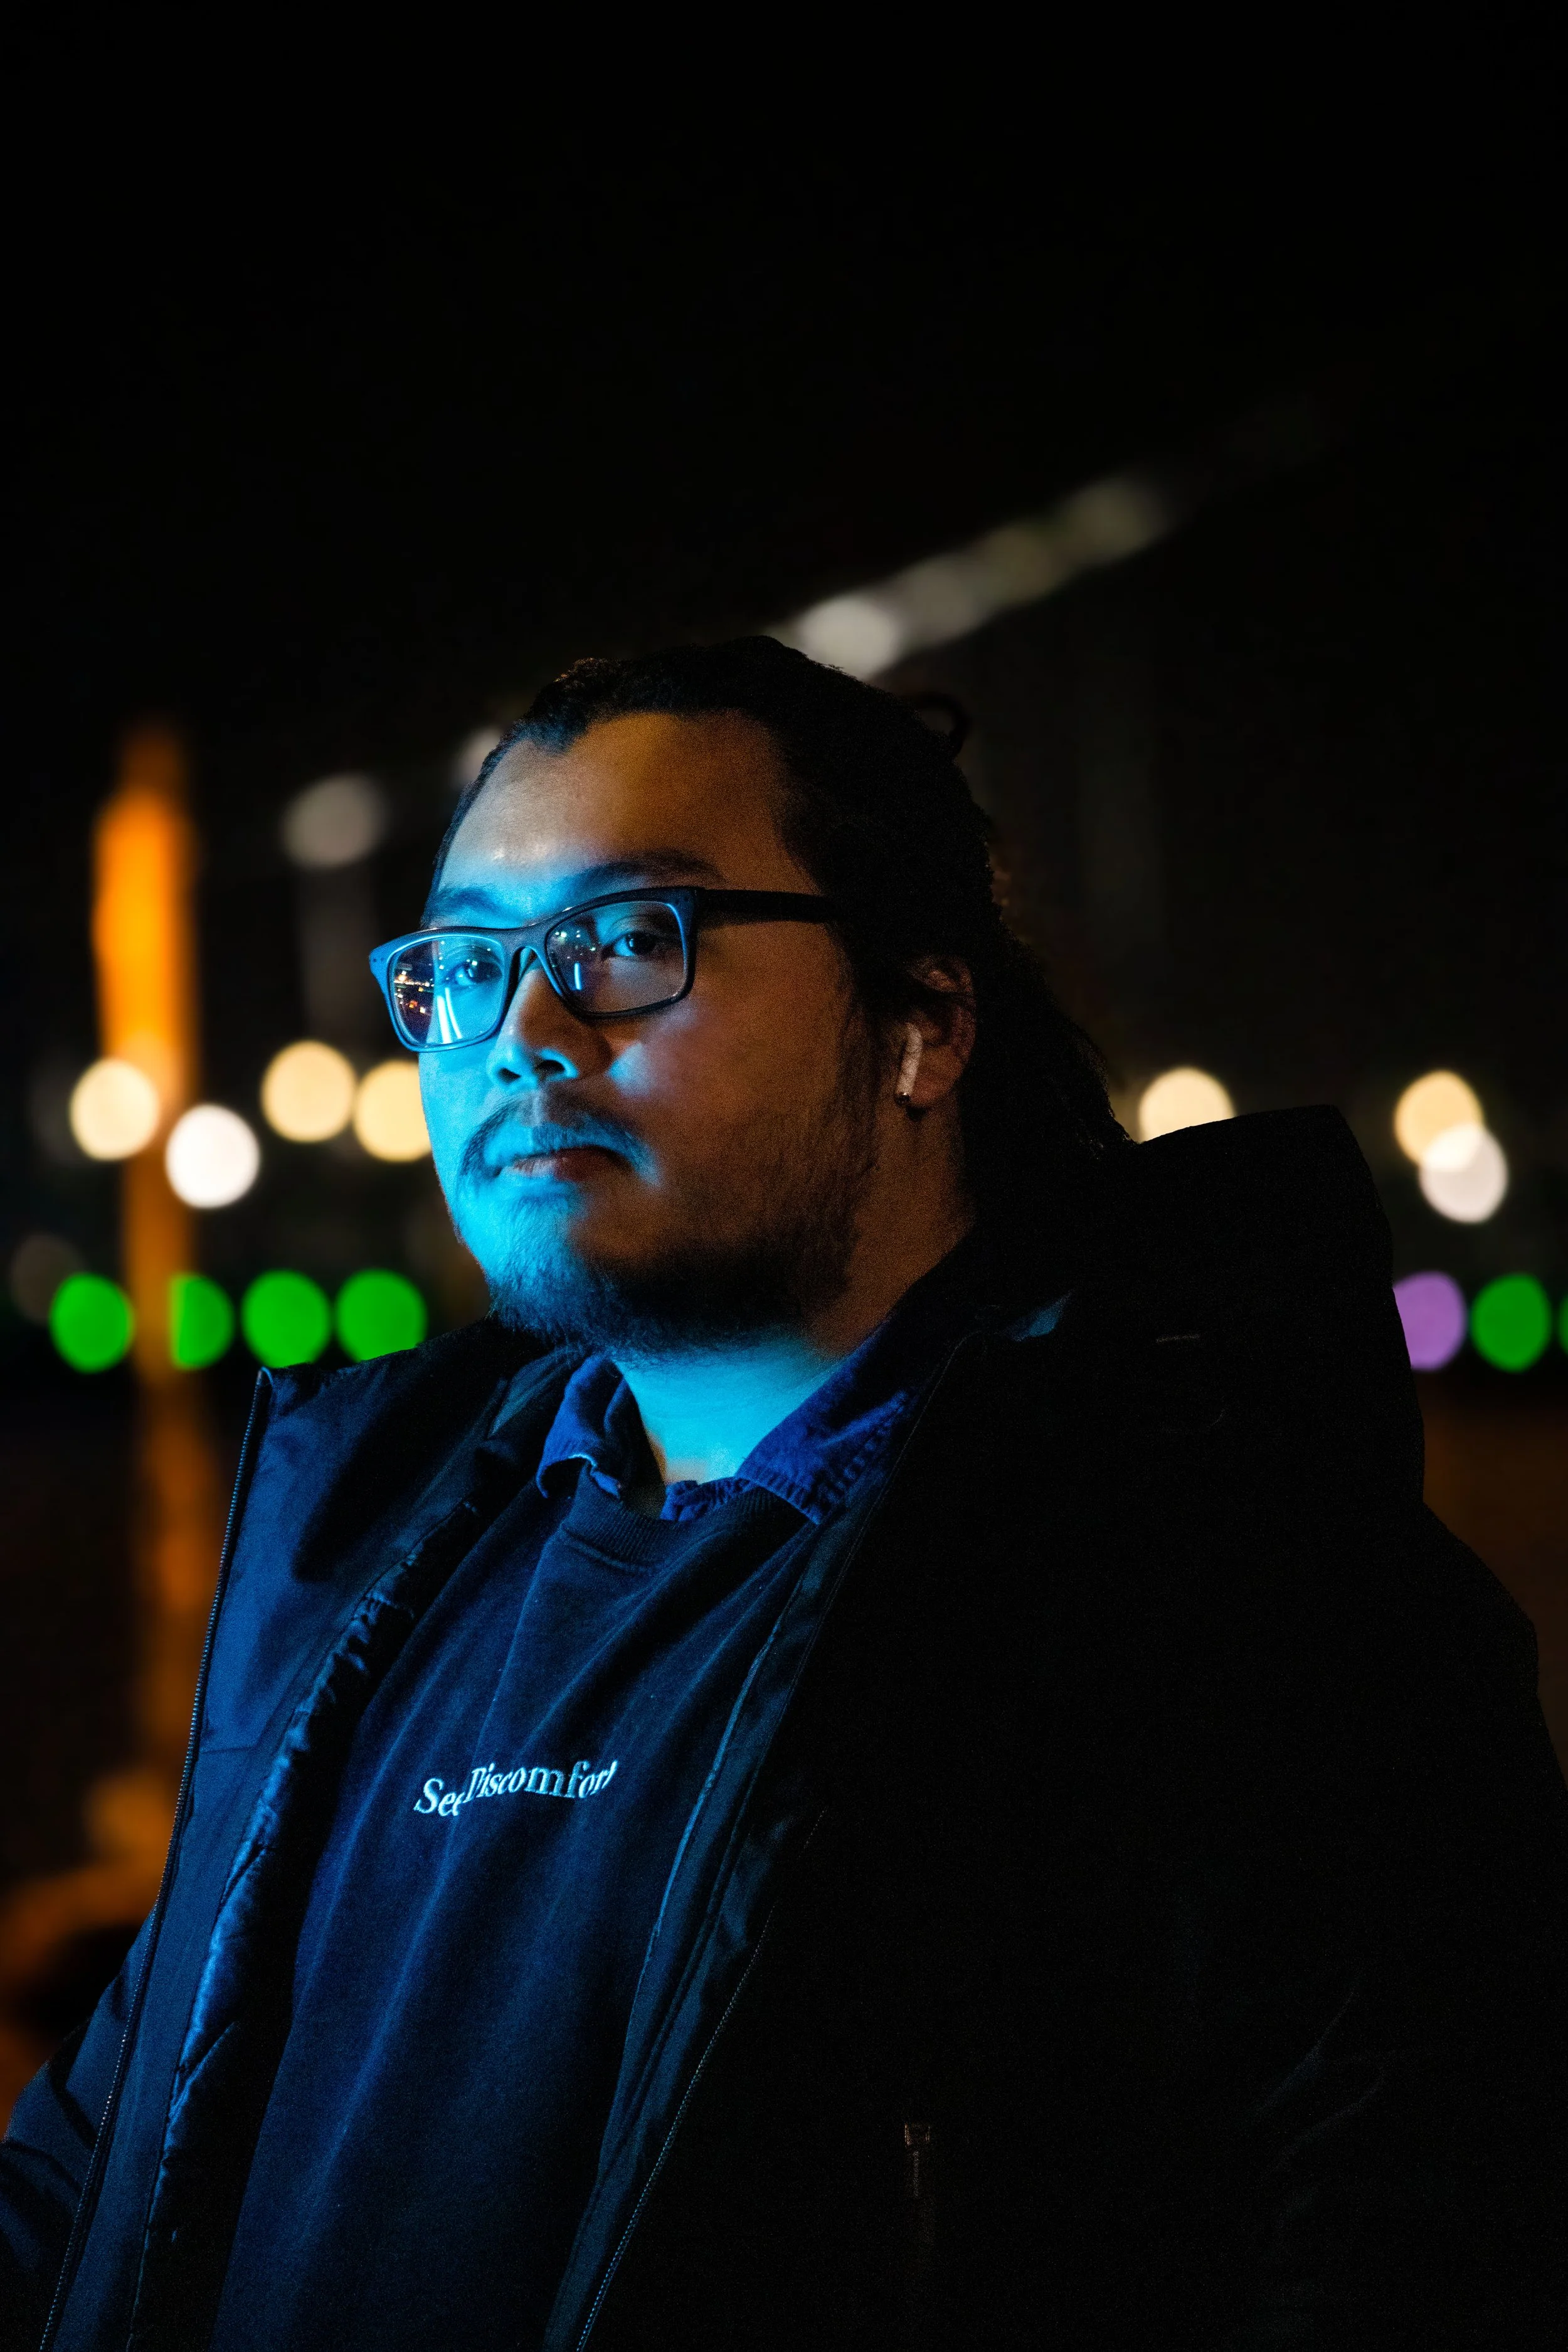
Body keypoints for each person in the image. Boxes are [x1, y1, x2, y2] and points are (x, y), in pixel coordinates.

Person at [4, 638, 1565, 2351]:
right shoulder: (348, 1572)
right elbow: (91, 2183)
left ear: (922, 1025)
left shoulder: (1252, 1621)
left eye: (625, 942)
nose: (520, 1035)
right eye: (465, 964)